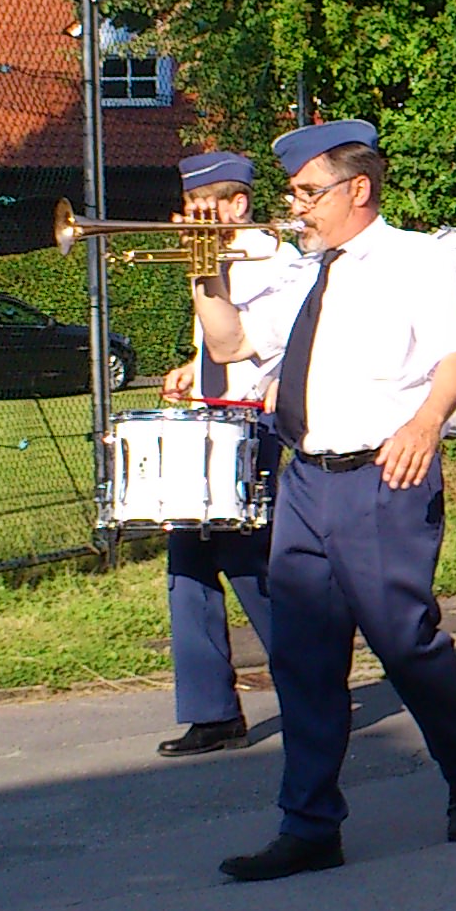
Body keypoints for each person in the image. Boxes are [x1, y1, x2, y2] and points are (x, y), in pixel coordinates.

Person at [194, 119, 456, 881]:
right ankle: (308, 825)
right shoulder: (304, 271)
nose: (296, 206)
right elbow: (230, 344)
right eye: (294, 193)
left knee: (404, 643)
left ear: (357, 189)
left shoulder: (414, 260)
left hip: (382, 475)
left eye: (309, 192)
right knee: (302, 657)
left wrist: (426, 424)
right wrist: (204, 269)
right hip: (306, 479)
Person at [150, 151, 309, 758]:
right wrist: (191, 370)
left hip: (253, 424)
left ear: (238, 205)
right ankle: (211, 712)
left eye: (203, 207)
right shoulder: (208, 258)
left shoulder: (274, 261)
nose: (192, 217)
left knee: (248, 562)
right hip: (209, 420)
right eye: (189, 206)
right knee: (186, 561)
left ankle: (307, 690)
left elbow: (267, 346)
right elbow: (214, 344)